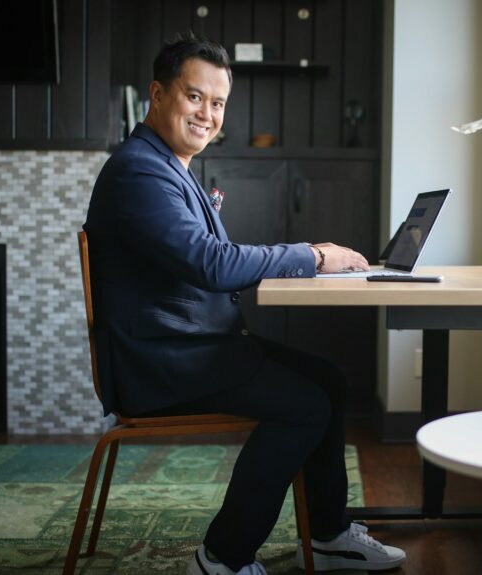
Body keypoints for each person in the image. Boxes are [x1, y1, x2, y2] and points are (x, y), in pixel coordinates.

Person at [83, 34, 406, 575]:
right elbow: (212, 263)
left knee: (328, 381)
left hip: (191, 345)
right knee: (306, 406)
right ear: (157, 95)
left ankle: (328, 536)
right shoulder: (139, 170)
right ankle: (223, 558)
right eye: (194, 97)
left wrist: (304, 258)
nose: (207, 114)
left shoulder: (165, 165)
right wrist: (312, 256)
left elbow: (212, 261)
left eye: (218, 103)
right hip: (164, 362)